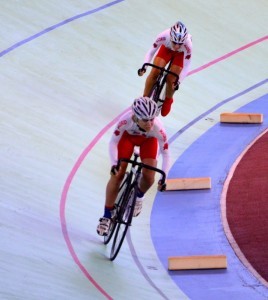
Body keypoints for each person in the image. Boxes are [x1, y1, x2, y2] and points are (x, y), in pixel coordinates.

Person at [97, 97, 170, 236]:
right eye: (145, 120)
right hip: (128, 138)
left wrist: (163, 177)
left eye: (151, 119)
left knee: (149, 177)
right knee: (117, 175)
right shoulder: (125, 121)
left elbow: (166, 154)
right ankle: (106, 216)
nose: (149, 123)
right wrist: (114, 164)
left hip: (148, 142)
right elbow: (113, 143)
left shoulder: (158, 128)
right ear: (135, 117)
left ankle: (138, 197)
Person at [138, 21, 192, 117]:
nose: (176, 46)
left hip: (180, 55)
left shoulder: (188, 45)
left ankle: (168, 99)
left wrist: (178, 82)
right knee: (155, 71)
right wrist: (144, 67)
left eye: (180, 44)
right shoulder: (163, 36)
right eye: (175, 42)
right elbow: (151, 52)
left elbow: (187, 66)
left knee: (171, 80)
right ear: (170, 37)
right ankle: (145, 98)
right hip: (166, 49)